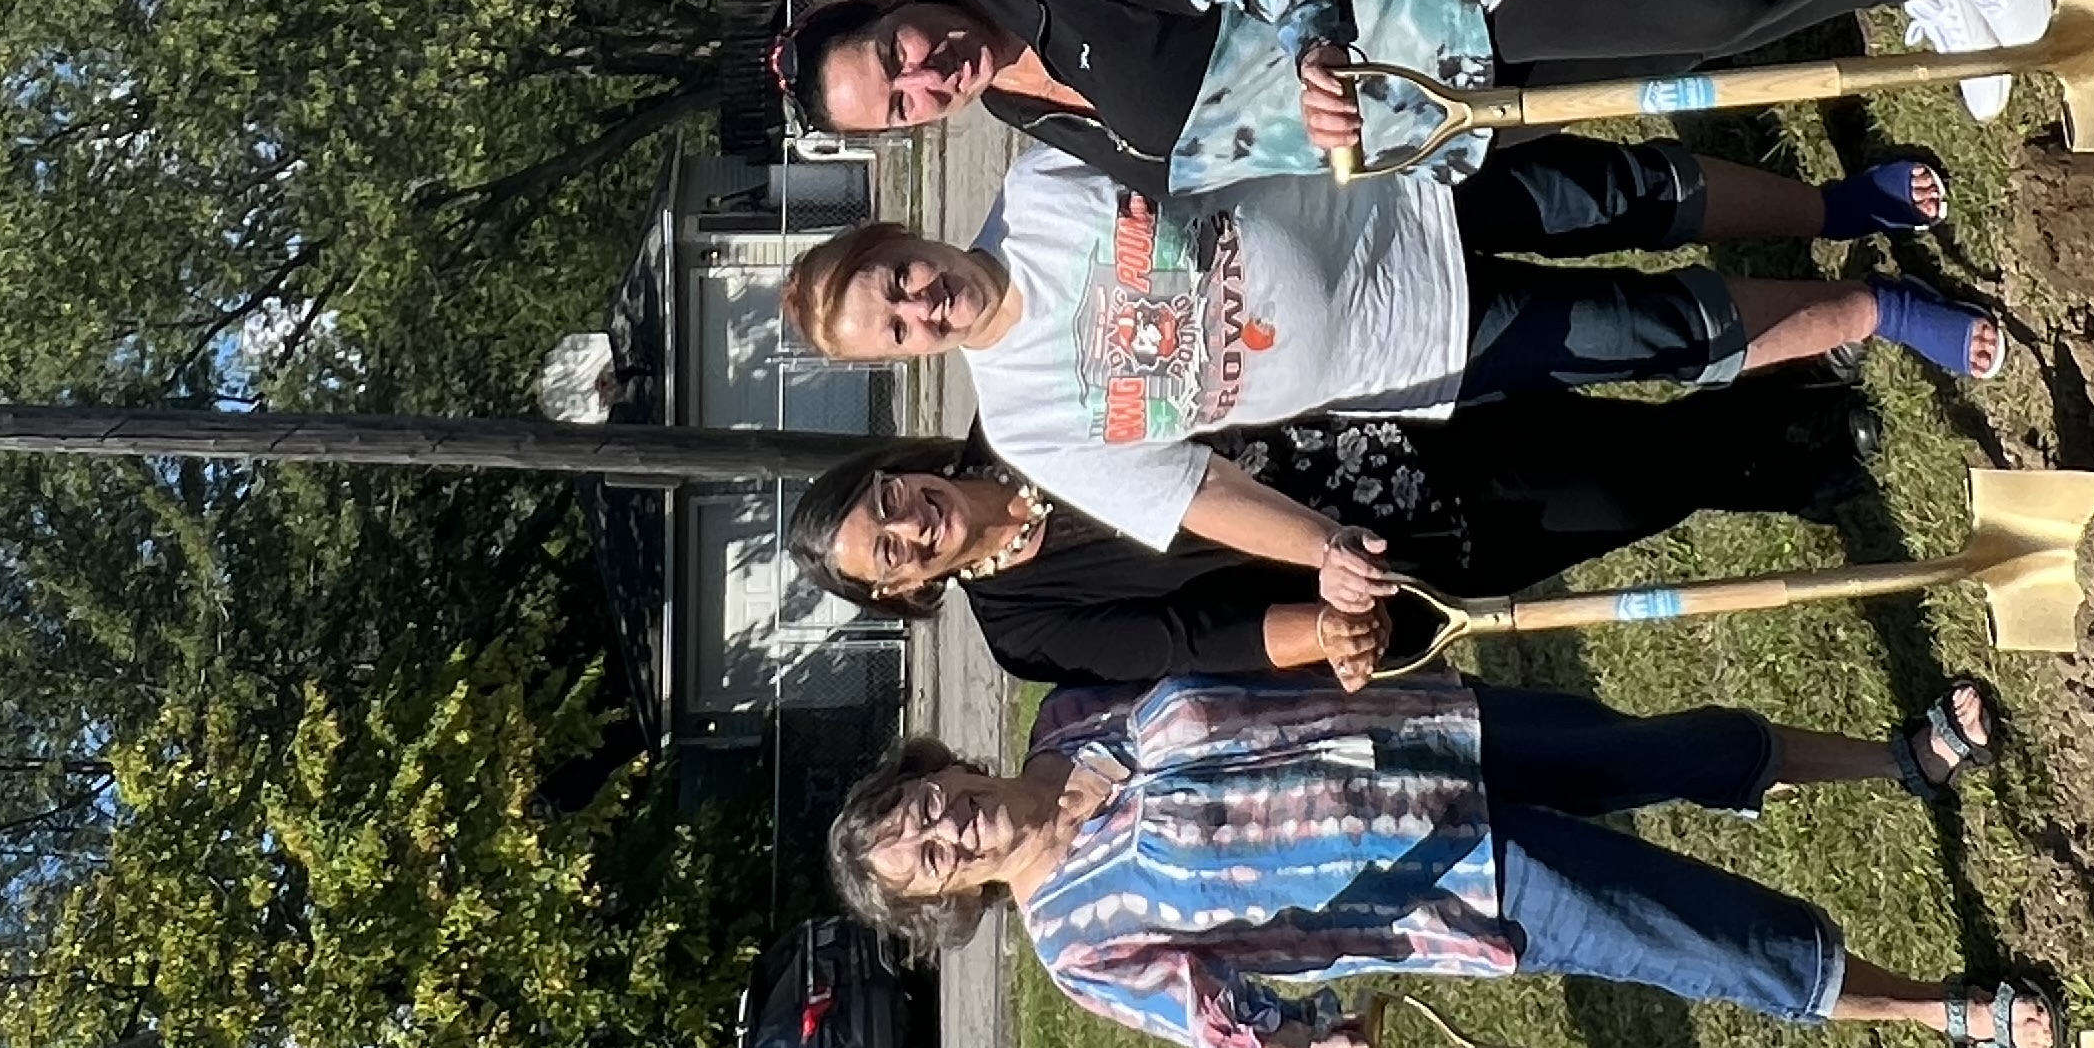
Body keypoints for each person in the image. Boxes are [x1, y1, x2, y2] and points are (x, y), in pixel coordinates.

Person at [827, 670, 2061, 1048]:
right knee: (1696, 936)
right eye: (926, 859)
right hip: (1451, 884)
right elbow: (1216, 1030)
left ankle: (1900, 760)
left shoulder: (1073, 715)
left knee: (1668, 749)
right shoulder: (1072, 941)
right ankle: (1945, 1013)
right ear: (949, 901)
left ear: (938, 768)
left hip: (1438, 729)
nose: (944, 831)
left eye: (923, 806)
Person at [774, 139, 2007, 569]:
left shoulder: (1044, 180)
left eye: (896, 280)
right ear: (902, 361)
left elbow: (1216, 122)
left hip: (1405, 196)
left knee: (1632, 193)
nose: (922, 306)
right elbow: (1194, 492)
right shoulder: (1029, 422)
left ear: (902, 237)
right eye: (897, 330)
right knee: (1657, 333)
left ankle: (1836, 206)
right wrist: (1320, 547)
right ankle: (1879, 313)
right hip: (1420, 345)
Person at [769, 0, 2055, 197]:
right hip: (1436, 118)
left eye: (897, 57)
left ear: (892, 2)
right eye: (903, 109)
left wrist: (1313, 45)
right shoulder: (1014, 108)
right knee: (1695, 62)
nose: (926, 80)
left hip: (1426, 3)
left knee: (1709, 5)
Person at [781, 391, 1880, 689]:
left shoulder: (1017, 420)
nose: (909, 523)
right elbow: (1192, 639)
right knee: (1610, 505)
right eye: (892, 552)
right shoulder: (1026, 629)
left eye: (888, 501)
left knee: (1593, 444)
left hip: (1369, 411)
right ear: (906, 592)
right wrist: (1327, 628)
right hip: (1379, 557)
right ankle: (1789, 464)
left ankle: (1795, 429)